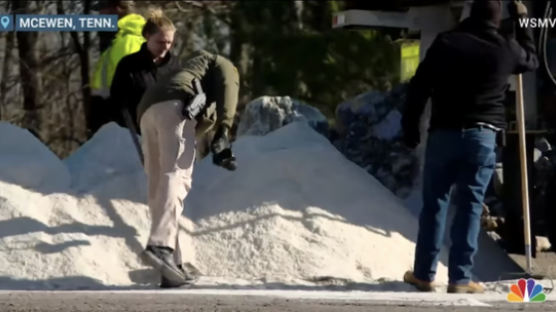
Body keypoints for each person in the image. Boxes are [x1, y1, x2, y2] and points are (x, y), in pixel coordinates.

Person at [401, 0, 538, 293]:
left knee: (434, 204)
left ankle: (424, 274)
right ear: (498, 18)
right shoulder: (505, 47)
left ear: (469, 14)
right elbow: (532, 60)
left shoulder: (447, 42)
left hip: (443, 135)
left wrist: (410, 127)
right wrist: (524, 21)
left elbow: (419, 85)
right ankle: (460, 279)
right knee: (470, 207)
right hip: (482, 138)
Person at [137, 50, 239, 288]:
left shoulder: (184, 71)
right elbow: (229, 89)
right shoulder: (222, 63)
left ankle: (172, 263)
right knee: (177, 175)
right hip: (176, 106)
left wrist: (211, 139)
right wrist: (225, 131)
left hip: (146, 111)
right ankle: (161, 246)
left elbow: (200, 124)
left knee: (158, 185)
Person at [110, 8, 180, 134]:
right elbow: (118, 105)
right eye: (160, 42)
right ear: (147, 36)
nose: (165, 47)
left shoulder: (176, 66)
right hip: (137, 136)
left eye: (169, 42)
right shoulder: (128, 65)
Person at [89, 0, 146, 135]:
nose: (100, 14)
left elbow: (133, 91)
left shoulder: (128, 43)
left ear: (118, 9)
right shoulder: (116, 42)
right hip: (115, 124)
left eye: (103, 8)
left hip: (122, 126)